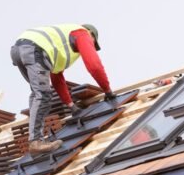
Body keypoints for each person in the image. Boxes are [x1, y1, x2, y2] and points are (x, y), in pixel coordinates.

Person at [10, 24, 116, 155]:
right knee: (42, 95)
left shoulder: (59, 46)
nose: (91, 46)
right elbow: (94, 66)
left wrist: (71, 105)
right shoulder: (82, 33)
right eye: (93, 44)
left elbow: (57, 78)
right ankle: (35, 142)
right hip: (34, 49)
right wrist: (107, 90)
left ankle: (35, 139)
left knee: (38, 93)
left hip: (20, 49)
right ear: (91, 35)